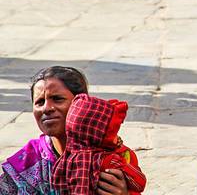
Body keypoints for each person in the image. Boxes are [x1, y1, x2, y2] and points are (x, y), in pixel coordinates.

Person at [1, 66, 130, 194]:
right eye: (39, 102)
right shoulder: (26, 162)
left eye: (57, 99)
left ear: (81, 104)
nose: (46, 108)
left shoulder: (111, 157)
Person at [52, 94, 146, 194]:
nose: (117, 137)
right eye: (113, 132)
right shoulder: (111, 160)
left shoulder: (65, 160)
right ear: (100, 136)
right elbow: (140, 182)